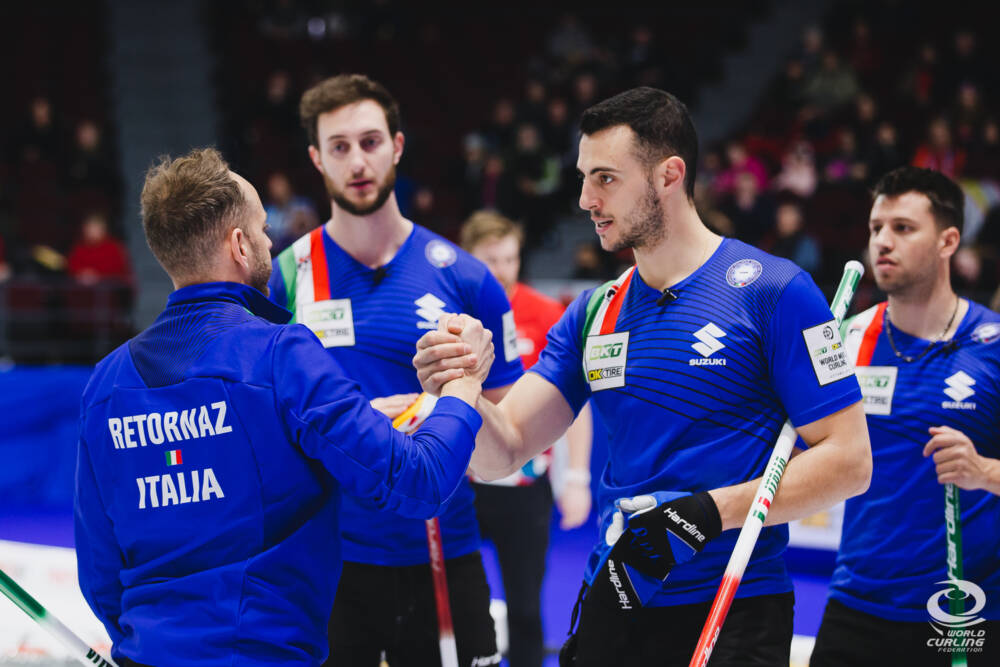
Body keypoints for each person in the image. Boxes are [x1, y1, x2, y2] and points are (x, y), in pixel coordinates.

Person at [413, 87, 872, 666]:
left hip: (732, 606)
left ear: (669, 176)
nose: (584, 199)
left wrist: (709, 513)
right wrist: (462, 389)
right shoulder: (594, 311)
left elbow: (850, 462)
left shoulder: (775, 291)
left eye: (605, 178)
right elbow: (501, 454)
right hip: (618, 594)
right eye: (583, 178)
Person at [74, 148, 490, 666]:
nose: (273, 241)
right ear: (240, 245)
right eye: (263, 229)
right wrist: (465, 384)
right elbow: (418, 481)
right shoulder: (281, 354)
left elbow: (99, 572)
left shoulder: (106, 384)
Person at [267, 74, 523, 667]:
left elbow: (511, 441)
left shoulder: (466, 277)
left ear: (398, 146)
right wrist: (363, 424)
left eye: (371, 141)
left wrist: (450, 403)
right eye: (339, 146)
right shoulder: (285, 277)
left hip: (443, 551)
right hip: (329, 562)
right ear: (316, 159)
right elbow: (264, 418)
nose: (357, 161)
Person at [810, 166, 1000, 667]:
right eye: (876, 228)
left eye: (903, 228)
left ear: (948, 241)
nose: (883, 242)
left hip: (966, 614)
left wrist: (983, 471)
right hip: (856, 605)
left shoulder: (993, 345)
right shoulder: (845, 340)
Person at [459, 210, 594, 667]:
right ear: (468, 260)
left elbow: (575, 404)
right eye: (490, 260)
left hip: (525, 487)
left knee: (525, 608)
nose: (501, 270)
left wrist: (575, 478)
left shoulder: (545, 312)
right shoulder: (445, 311)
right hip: (462, 488)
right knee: (453, 602)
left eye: (510, 258)